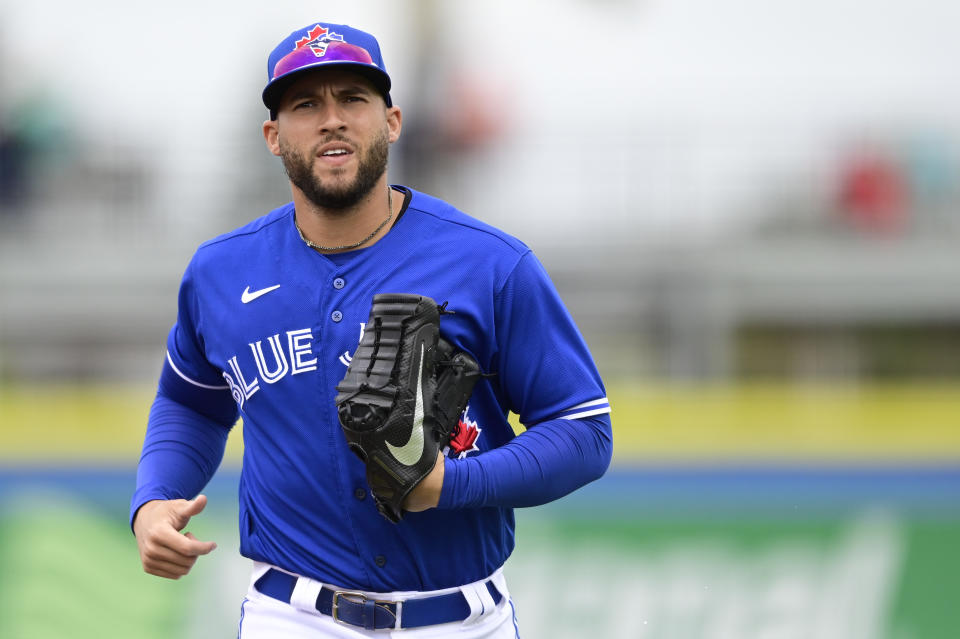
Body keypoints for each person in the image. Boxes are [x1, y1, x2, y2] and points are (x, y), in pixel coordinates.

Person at [131, 22, 613, 638]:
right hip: (293, 615)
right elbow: (190, 403)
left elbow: (583, 431)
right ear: (274, 137)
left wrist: (452, 484)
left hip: (459, 619)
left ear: (391, 121)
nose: (332, 119)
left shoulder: (489, 264)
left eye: (353, 98)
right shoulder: (221, 273)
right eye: (306, 104)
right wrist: (154, 498)